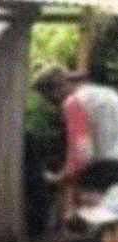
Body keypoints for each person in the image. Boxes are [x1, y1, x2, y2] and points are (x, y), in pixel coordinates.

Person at [35, 65, 118, 219]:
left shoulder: (74, 103)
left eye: (51, 100)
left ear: (54, 92)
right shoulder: (106, 93)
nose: (55, 106)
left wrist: (59, 178)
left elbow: (80, 153)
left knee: (90, 220)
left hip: (105, 168)